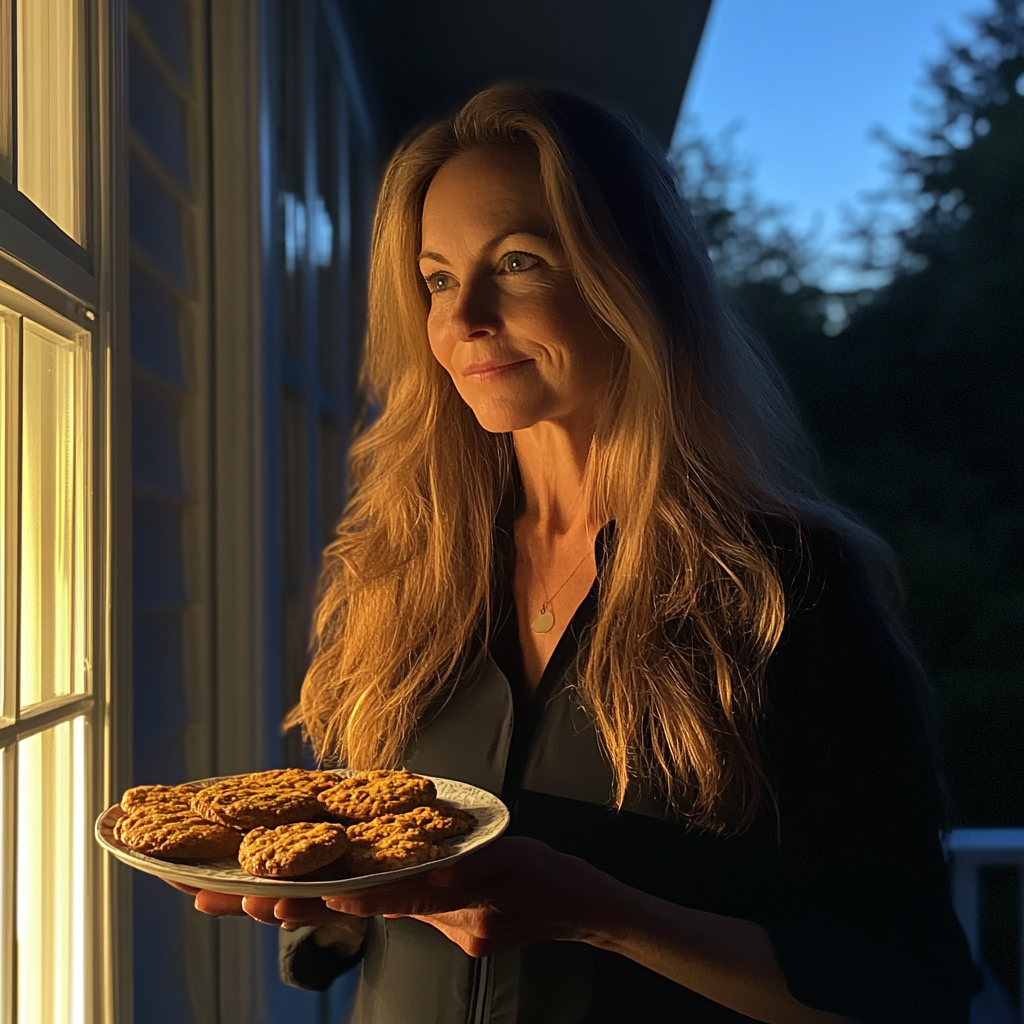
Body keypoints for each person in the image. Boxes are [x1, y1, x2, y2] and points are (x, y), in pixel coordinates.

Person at [180, 86, 978, 1022]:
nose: (464, 316)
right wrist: (336, 896)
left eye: (517, 262)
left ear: (630, 284)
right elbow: (376, 876)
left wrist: (601, 914)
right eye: (437, 279)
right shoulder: (397, 573)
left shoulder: (783, 588)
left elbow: (909, 985)